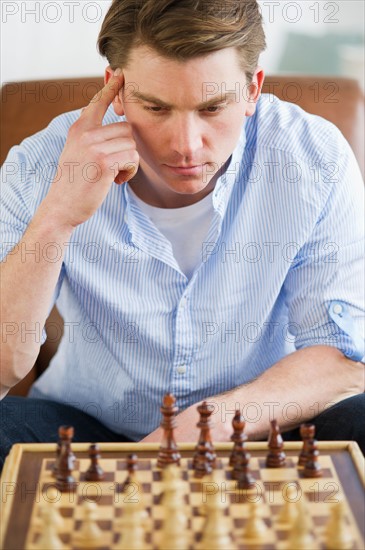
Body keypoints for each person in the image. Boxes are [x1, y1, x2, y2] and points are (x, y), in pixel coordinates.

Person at [1, 0, 364, 470]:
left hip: (260, 423)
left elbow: (341, 358)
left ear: (253, 89)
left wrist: (201, 426)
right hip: (93, 424)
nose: (186, 145)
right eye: (156, 107)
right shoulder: (40, 165)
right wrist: (57, 216)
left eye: (213, 107)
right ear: (117, 91)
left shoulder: (314, 157)